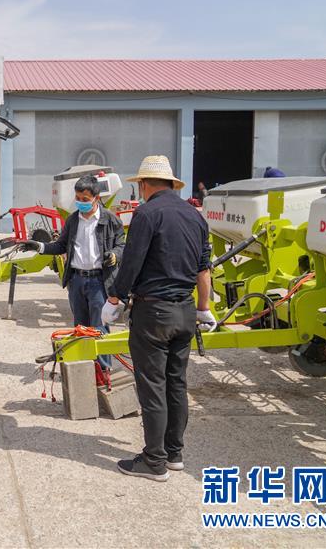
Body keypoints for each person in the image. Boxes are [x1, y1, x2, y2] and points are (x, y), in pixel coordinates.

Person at [101, 155, 215, 482]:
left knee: (152, 386)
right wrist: (203, 308)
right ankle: (174, 453)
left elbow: (132, 262)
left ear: (145, 184)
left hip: (154, 313)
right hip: (185, 311)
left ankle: (154, 461)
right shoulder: (195, 216)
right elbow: (203, 269)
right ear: (171, 184)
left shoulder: (147, 213)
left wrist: (115, 298)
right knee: (176, 384)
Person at [21, 175, 125, 373]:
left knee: (99, 329)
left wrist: (114, 255)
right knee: (80, 329)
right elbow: (61, 245)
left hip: (98, 282)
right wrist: (40, 247)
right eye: (78, 198)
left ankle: (103, 372)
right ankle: (83, 372)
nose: (81, 203)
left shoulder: (110, 219)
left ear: (96, 197)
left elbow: (121, 244)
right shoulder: (72, 220)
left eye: (85, 199)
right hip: (76, 281)